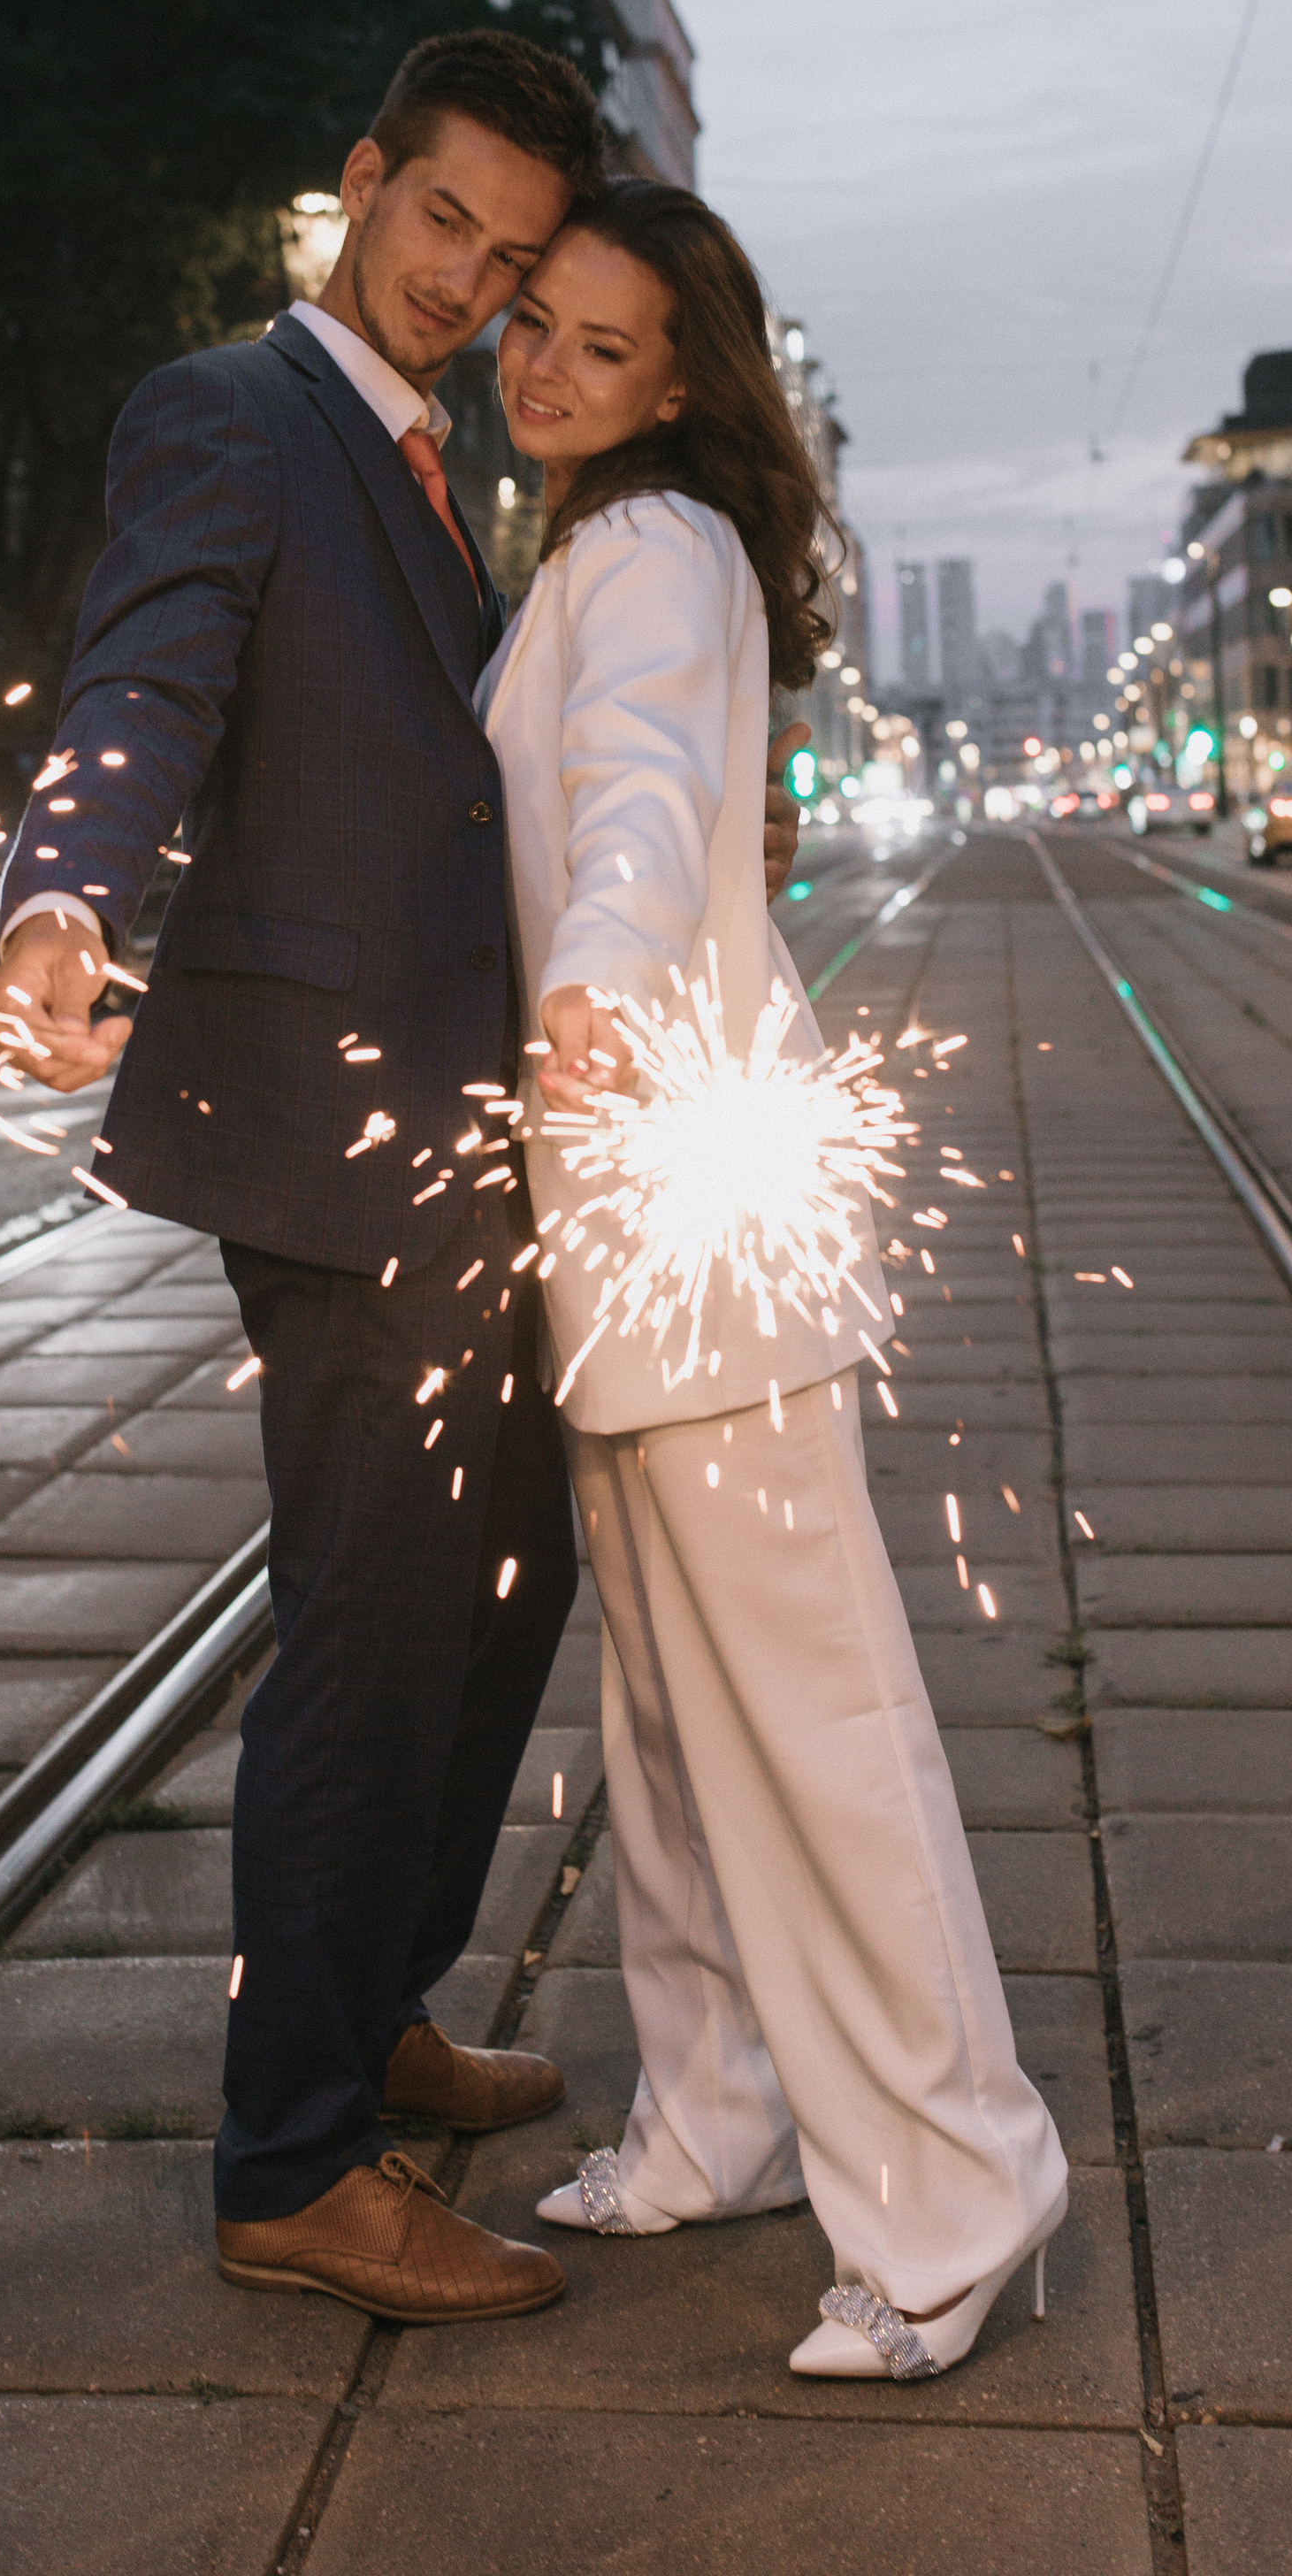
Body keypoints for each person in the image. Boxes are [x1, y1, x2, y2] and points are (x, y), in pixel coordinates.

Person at [0, 34, 806, 2334]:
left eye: (521, 257)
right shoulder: (237, 417)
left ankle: (371, 2015)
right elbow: (145, 678)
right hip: (347, 1157)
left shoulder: (459, 480)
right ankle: (292, 2159)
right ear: (361, 187)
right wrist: (68, 902)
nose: (474, 281)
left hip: (481, 1152)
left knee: (502, 1603)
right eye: (445, 223)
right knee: (373, 1644)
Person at [475, 179, 1066, 2382]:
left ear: (679, 386)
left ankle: (951, 2191)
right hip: (636, 1220)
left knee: (810, 1730)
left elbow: (632, 804)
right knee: (674, 1721)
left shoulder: (638, 553)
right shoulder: (616, 550)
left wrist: (604, 972)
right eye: (536, 320)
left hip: (682, 1199)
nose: (542, 364)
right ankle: (715, 2113)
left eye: (599, 347)